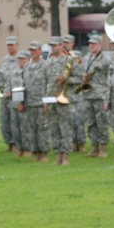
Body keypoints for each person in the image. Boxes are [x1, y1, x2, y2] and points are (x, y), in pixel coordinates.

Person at [44, 36, 79, 165]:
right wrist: (45, 101)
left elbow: (80, 79)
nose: (53, 48)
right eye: (51, 45)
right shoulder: (47, 62)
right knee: (54, 129)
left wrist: (67, 80)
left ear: (60, 46)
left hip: (66, 99)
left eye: (55, 45)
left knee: (65, 128)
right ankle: (58, 154)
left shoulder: (69, 61)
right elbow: (45, 82)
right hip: (51, 99)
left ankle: (65, 156)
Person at [79, 34, 112, 157]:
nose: (91, 45)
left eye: (94, 43)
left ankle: (103, 147)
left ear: (100, 45)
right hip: (87, 94)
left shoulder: (105, 59)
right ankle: (94, 146)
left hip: (100, 94)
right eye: (90, 43)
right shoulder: (86, 58)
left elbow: (109, 73)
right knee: (90, 122)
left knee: (101, 122)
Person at [21, 41, 49, 161]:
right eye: (30, 50)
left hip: (41, 102)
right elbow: (23, 85)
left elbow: (49, 84)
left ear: (40, 51)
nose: (32, 52)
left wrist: (46, 102)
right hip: (30, 103)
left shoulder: (45, 65)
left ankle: (44, 153)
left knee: (42, 129)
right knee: (31, 130)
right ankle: (36, 152)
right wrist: (21, 102)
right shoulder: (26, 66)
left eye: (34, 50)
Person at [0, 36, 20, 152]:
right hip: (5, 94)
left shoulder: (21, 59)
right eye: (8, 45)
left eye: (12, 44)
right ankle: (9, 143)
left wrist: (13, 90)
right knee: (4, 119)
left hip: (16, 94)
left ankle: (17, 143)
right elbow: (1, 77)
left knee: (15, 120)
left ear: (17, 45)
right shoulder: (4, 60)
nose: (10, 47)